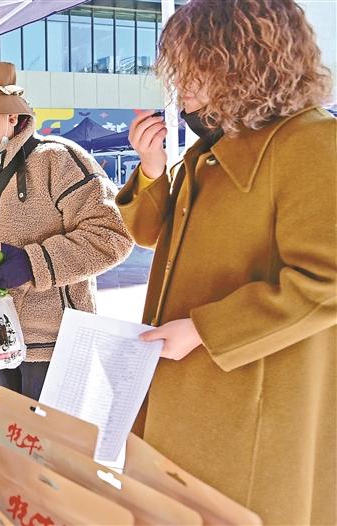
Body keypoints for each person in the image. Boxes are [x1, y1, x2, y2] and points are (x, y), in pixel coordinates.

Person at [116, 1, 335, 523]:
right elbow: (148, 235)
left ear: (246, 62)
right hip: (189, 388)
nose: (181, 84)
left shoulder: (312, 142)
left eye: (196, 66)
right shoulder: (214, 148)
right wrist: (151, 168)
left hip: (253, 399)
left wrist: (204, 330)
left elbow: (326, 280)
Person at [0, 62, 133, 415]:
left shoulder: (58, 160)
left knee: (47, 445)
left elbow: (112, 234)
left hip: (53, 344)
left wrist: (34, 264)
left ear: (12, 117)